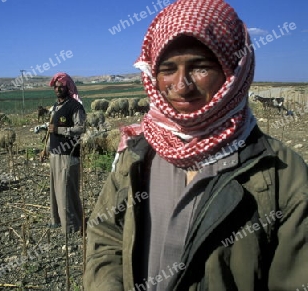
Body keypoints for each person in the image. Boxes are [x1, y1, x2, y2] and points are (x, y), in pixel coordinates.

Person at [83, 0, 308, 290]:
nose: (181, 85)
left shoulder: (282, 175)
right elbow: (105, 236)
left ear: (233, 72)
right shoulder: (138, 154)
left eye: (200, 67)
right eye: (167, 69)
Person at [40, 72, 86, 234]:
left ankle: (72, 225)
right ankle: (57, 220)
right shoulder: (55, 107)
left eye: (61, 87)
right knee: (55, 189)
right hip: (54, 154)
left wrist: (60, 129)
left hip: (68, 154)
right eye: (56, 87)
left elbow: (81, 128)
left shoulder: (75, 107)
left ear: (68, 88)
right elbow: (50, 131)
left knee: (66, 189)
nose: (58, 89)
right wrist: (45, 149)